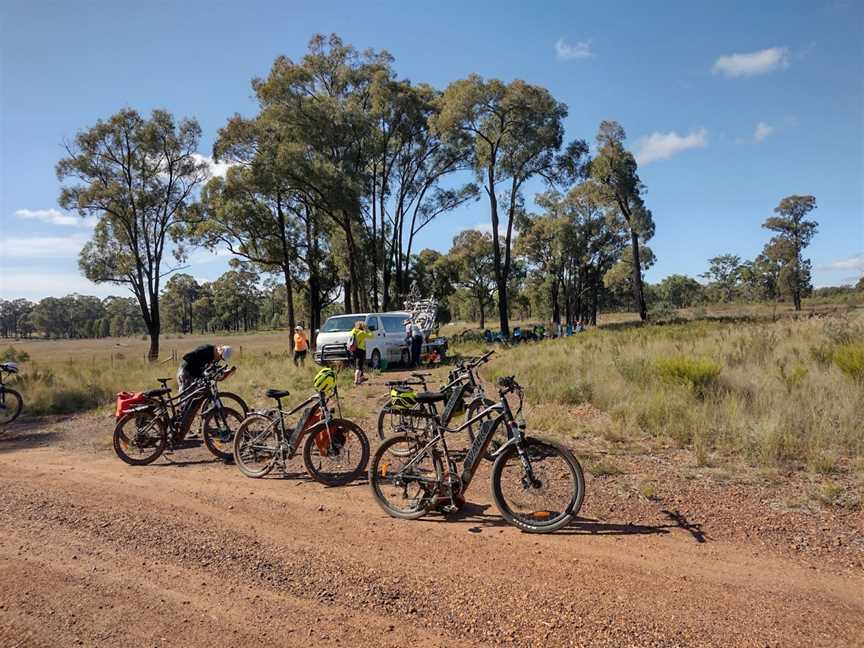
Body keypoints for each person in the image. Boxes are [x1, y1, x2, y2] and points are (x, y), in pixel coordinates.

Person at [349, 321, 373, 385]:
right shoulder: (361, 333)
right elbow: (371, 336)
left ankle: (361, 378)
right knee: (359, 367)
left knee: (359, 365)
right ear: (362, 326)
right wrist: (367, 329)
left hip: (353, 350)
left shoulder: (353, 331)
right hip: (360, 350)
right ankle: (356, 381)